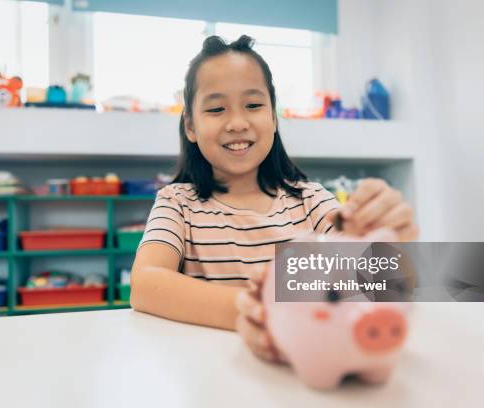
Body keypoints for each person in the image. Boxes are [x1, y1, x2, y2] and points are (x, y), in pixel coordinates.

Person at [130, 35, 418, 363]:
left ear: (274, 116)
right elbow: (145, 284)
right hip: (211, 374)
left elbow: (375, 276)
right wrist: (266, 311)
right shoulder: (176, 203)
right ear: (191, 126)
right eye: (215, 108)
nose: (237, 123)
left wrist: (390, 238)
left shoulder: (312, 201)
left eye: (253, 105)